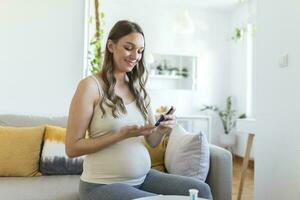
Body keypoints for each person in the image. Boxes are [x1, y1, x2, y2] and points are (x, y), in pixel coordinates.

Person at [66, 20, 212, 200]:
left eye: (140, 51)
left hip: (143, 178)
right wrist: (119, 135)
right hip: (102, 185)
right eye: (129, 48)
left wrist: (162, 130)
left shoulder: (139, 90)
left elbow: (152, 141)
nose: (135, 56)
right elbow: (72, 148)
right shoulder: (90, 86)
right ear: (111, 46)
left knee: (202, 190)